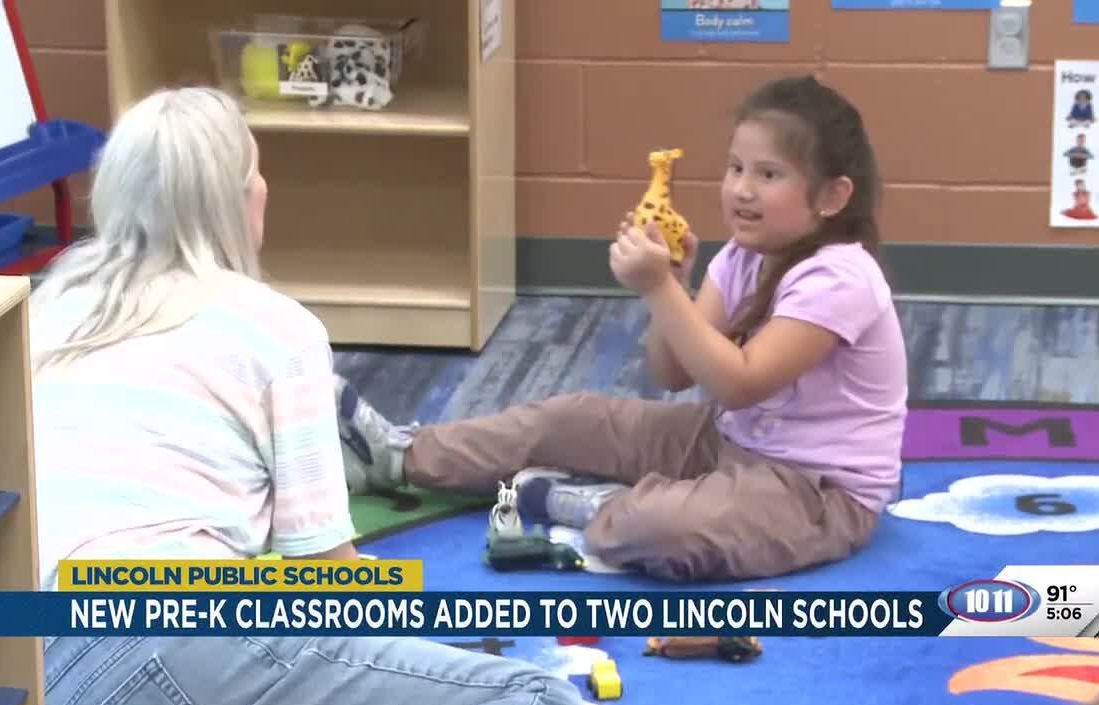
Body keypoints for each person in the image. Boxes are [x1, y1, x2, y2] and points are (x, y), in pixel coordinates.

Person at [28, 86, 585, 705]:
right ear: (237, 200)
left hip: (34, 664)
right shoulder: (273, 326)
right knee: (536, 698)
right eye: (257, 170)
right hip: (178, 629)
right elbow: (325, 576)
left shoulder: (44, 309)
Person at [336, 74, 907, 584]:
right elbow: (672, 373)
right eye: (735, 168)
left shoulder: (841, 276)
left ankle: (595, 505)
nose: (741, 189)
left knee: (660, 530)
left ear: (833, 196)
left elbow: (741, 382)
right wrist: (675, 288)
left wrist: (658, 288)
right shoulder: (741, 255)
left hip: (818, 490)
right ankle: (399, 456)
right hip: (728, 439)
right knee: (571, 417)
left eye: (769, 174)